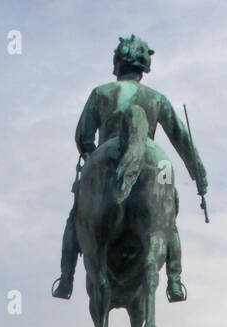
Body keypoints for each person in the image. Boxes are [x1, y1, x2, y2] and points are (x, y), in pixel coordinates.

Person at [51, 35, 207, 303]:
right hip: (158, 165)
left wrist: (92, 159)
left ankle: (66, 278)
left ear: (118, 63)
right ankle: (174, 279)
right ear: (144, 67)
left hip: (103, 155)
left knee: (76, 215)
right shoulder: (157, 99)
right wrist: (199, 176)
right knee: (167, 217)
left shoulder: (101, 93)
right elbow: (182, 138)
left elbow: (82, 137)